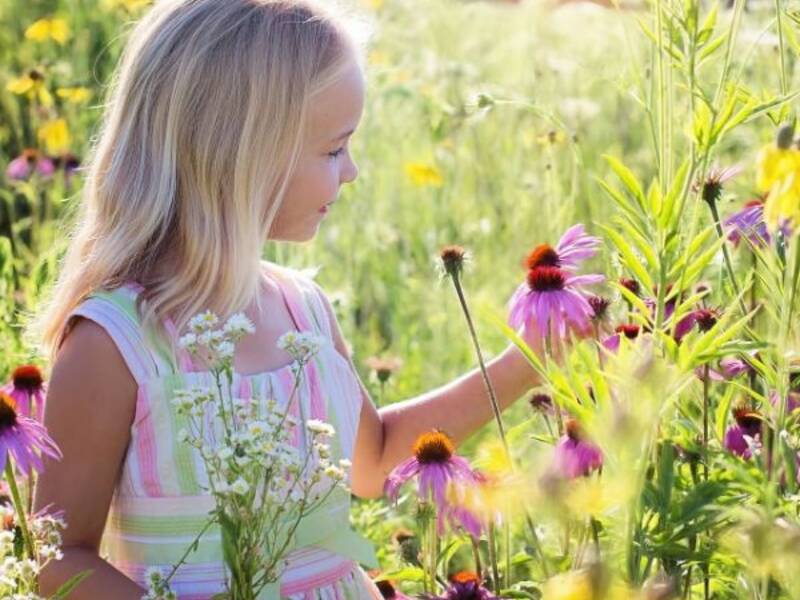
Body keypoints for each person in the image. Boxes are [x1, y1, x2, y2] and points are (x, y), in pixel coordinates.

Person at [30, 0, 541, 597]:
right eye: (333, 149)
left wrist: (522, 365)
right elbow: (57, 556)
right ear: (240, 156)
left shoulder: (305, 310)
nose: (351, 172)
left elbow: (374, 463)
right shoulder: (116, 343)